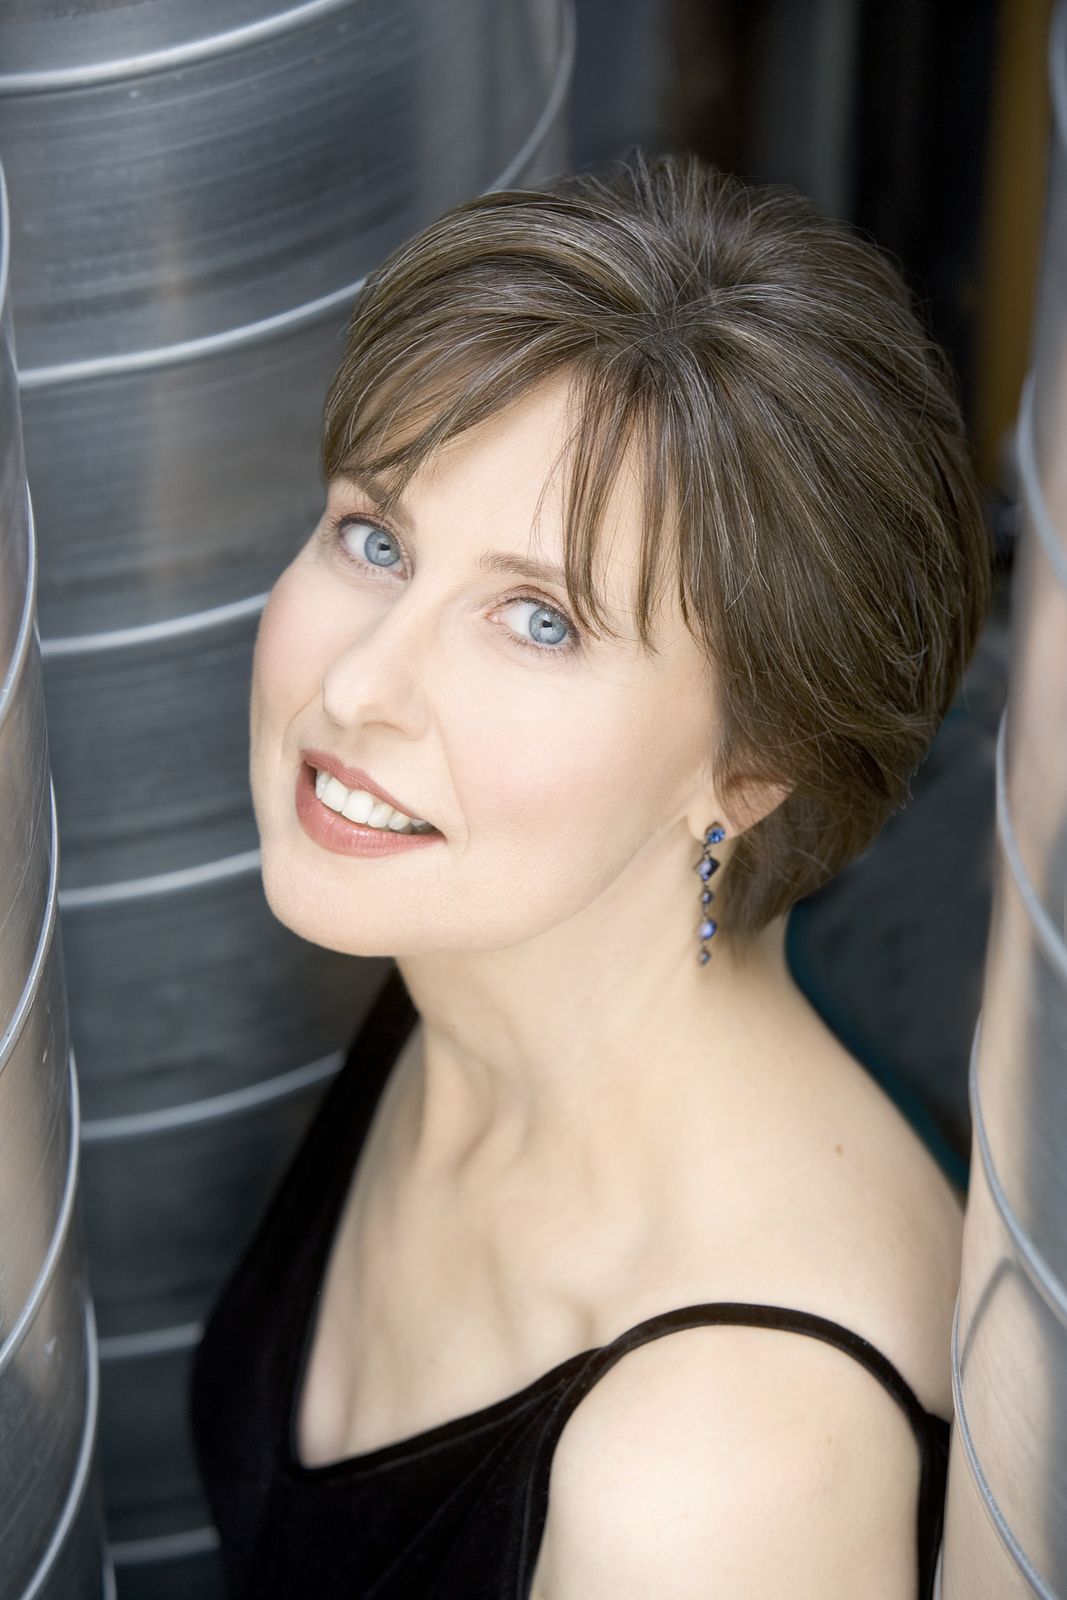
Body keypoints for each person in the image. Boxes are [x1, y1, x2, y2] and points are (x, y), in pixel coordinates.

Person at [188, 149, 993, 1598]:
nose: (359, 686)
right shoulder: (463, 960)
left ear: (754, 765)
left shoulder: (713, 1476)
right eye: (375, 537)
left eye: (540, 622)